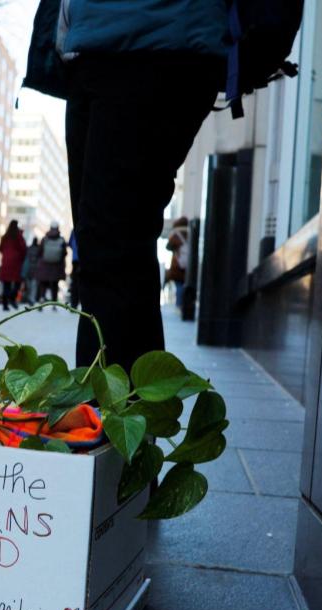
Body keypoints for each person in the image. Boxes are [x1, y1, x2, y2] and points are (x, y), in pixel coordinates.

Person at [56, 1, 228, 371]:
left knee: (110, 246)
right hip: (94, 48)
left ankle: (109, 414)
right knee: (110, 247)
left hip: (149, 42)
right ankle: (128, 412)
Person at [34, 221, 67, 309]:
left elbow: (39, 252)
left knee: (43, 283)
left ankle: (41, 298)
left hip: (45, 265)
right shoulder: (61, 239)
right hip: (56, 266)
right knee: (54, 284)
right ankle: (54, 303)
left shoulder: (45, 239)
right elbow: (65, 253)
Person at [0, 220, 27, 310]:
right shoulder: (18, 236)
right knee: (18, 282)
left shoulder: (5, 236)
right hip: (16, 262)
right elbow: (24, 249)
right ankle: (12, 297)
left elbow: (0, 249)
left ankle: (5, 305)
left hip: (6, 262)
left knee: (6, 284)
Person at [165, 216, 190, 307]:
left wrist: (175, 249)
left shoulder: (176, 234)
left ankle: (179, 305)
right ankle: (184, 305)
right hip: (189, 265)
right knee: (184, 285)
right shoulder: (190, 232)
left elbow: (168, 246)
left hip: (177, 264)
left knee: (179, 286)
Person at [22, 237, 40, 305]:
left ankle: (30, 298)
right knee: (34, 286)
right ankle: (32, 299)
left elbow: (26, 260)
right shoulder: (38, 249)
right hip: (35, 270)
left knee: (29, 286)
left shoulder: (29, 249)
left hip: (29, 270)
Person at [66, 227, 80, 308]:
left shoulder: (74, 229)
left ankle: (74, 303)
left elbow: (70, 243)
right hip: (86, 259)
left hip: (75, 259)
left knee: (75, 281)